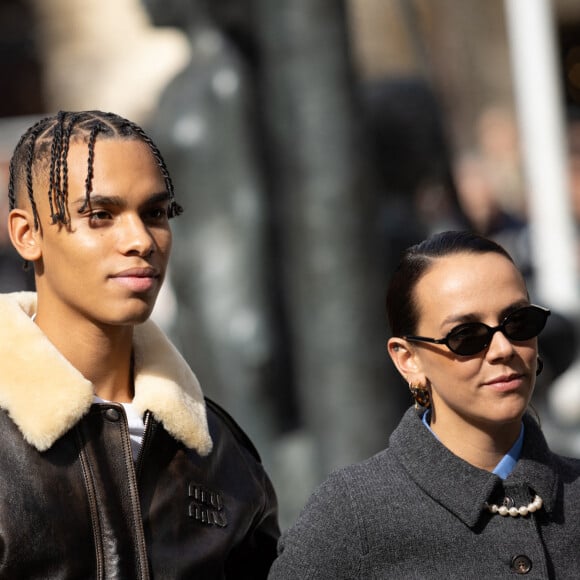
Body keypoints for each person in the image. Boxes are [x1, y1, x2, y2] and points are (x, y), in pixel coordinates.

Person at [2, 110, 279, 578]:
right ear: (28, 235)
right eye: (101, 216)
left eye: (154, 213)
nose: (140, 240)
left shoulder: (219, 454)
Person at [269, 230, 580, 579]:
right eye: (466, 336)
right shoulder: (352, 515)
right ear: (408, 360)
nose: (503, 349)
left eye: (519, 323)